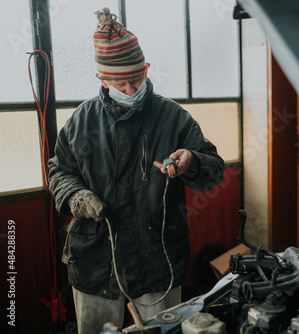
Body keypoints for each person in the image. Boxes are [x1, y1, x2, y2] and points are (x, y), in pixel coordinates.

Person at [48, 8, 224, 334]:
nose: (130, 90)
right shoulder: (81, 122)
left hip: (158, 259)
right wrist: (76, 195)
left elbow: (214, 169)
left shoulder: (172, 117)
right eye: (120, 83)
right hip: (97, 263)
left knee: (164, 329)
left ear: (146, 69)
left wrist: (192, 162)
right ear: (102, 80)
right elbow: (59, 171)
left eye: (136, 79)